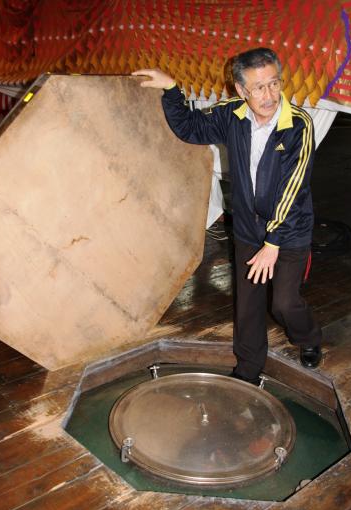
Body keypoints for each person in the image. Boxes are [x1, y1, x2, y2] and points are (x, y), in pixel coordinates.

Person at [132, 47, 322, 386]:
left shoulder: (298, 125)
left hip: (290, 230)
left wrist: (273, 243)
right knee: (248, 304)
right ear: (241, 90)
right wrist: (171, 88)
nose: (269, 95)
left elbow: (292, 188)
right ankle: (248, 369)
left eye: (274, 83)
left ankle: (308, 337)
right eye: (258, 87)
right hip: (248, 229)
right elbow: (189, 128)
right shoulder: (232, 114)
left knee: (284, 303)